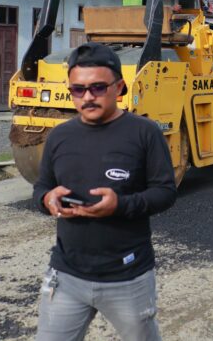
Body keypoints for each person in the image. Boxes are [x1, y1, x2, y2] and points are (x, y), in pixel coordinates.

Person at [33, 42, 176, 341]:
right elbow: (42, 187)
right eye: (78, 90)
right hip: (67, 276)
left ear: (119, 86)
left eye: (98, 88)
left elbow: (164, 191)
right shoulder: (59, 136)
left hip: (128, 277)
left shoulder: (144, 133)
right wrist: (48, 199)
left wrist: (120, 205)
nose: (87, 97)